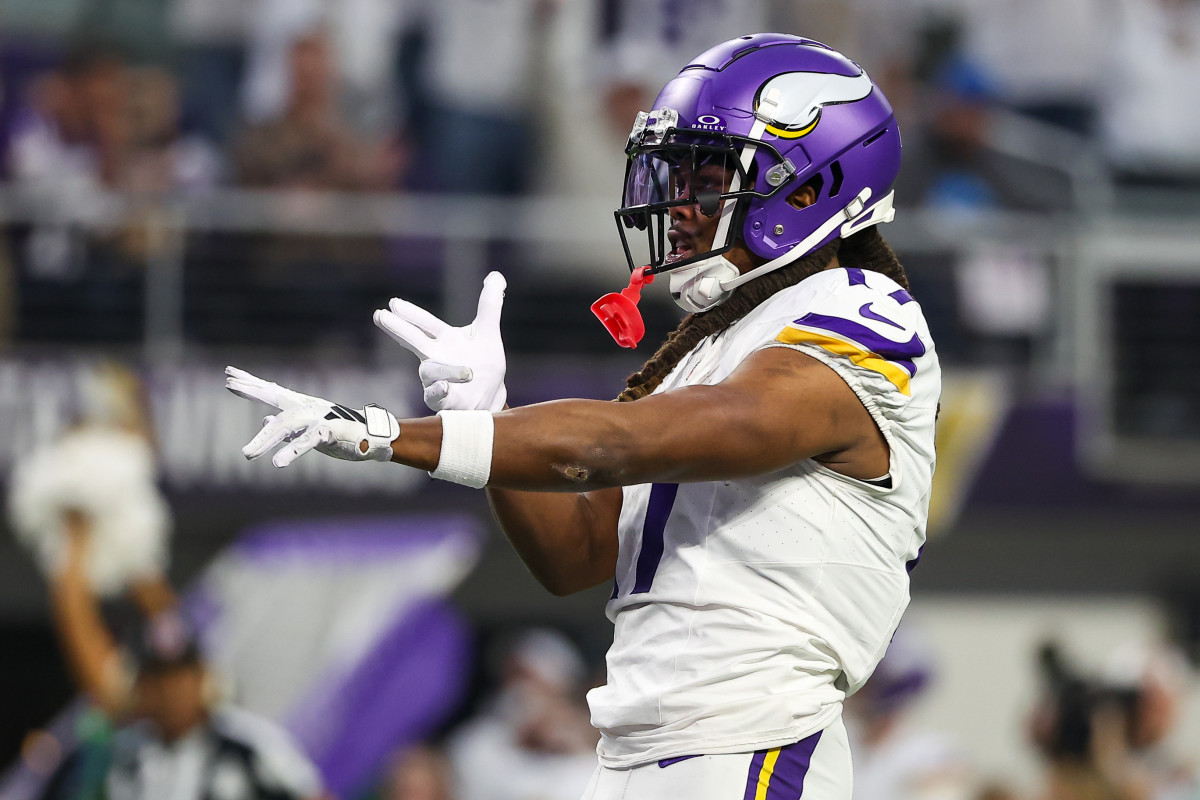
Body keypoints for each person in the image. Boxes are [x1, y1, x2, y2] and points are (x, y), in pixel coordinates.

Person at [227, 33, 940, 800]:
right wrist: (488, 416)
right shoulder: (721, 339)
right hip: (640, 755)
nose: (680, 206)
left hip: (749, 746)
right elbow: (578, 552)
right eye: (679, 176)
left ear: (807, 190)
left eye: (709, 181)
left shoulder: (862, 314)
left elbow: (623, 441)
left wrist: (394, 435)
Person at [45, 515, 326, 800]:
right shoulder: (122, 754)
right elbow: (88, 653)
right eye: (159, 680)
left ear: (201, 676)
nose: (171, 692)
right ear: (141, 688)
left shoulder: (249, 746)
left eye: (180, 678)